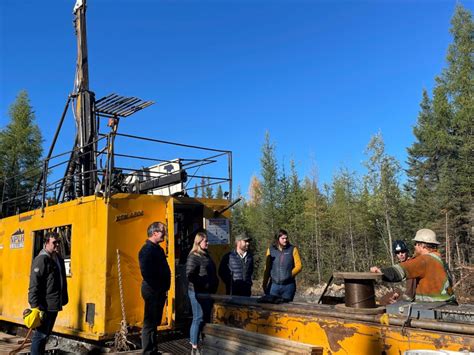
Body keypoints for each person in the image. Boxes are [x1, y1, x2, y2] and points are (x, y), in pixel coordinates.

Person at [370, 229, 456, 303]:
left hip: (433, 307)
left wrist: (380, 271)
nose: (414, 247)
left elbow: (400, 271)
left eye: (415, 244)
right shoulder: (439, 259)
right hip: (448, 303)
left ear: (421, 245)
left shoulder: (424, 260)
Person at [28, 231, 68, 355]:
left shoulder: (58, 259)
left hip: (54, 304)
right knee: (40, 336)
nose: (57, 245)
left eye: (58, 242)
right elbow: (34, 284)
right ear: (46, 243)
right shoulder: (41, 260)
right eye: (54, 243)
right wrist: (35, 306)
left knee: (45, 336)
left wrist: (64, 298)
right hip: (44, 306)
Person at [138, 222, 171, 355]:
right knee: (149, 322)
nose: (165, 234)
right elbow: (146, 272)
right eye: (163, 231)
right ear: (154, 233)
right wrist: (158, 286)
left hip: (160, 289)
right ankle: (147, 351)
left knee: (154, 322)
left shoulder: (159, 249)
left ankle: (153, 349)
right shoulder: (146, 250)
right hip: (152, 290)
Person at [186, 231, 219, 355]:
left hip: (207, 292)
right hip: (196, 292)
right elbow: (190, 275)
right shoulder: (193, 256)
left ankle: (203, 342)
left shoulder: (206, 255)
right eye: (206, 241)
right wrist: (203, 284)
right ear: (198, 242)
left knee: (205, 318)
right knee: (198, 318)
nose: (208, 243)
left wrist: (212, 284)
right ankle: (194, 347)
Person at [262, 229, 302, 302]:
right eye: (283, 238)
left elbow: (299, 266)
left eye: (286, 238)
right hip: (273, 286)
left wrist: (290, 274)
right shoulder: (270, 250)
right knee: (271, 309)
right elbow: (267, 268)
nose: (285, 240)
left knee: (286, 309)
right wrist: (264, 283)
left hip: (288, 286)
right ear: (278, 239)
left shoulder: (293, 249)